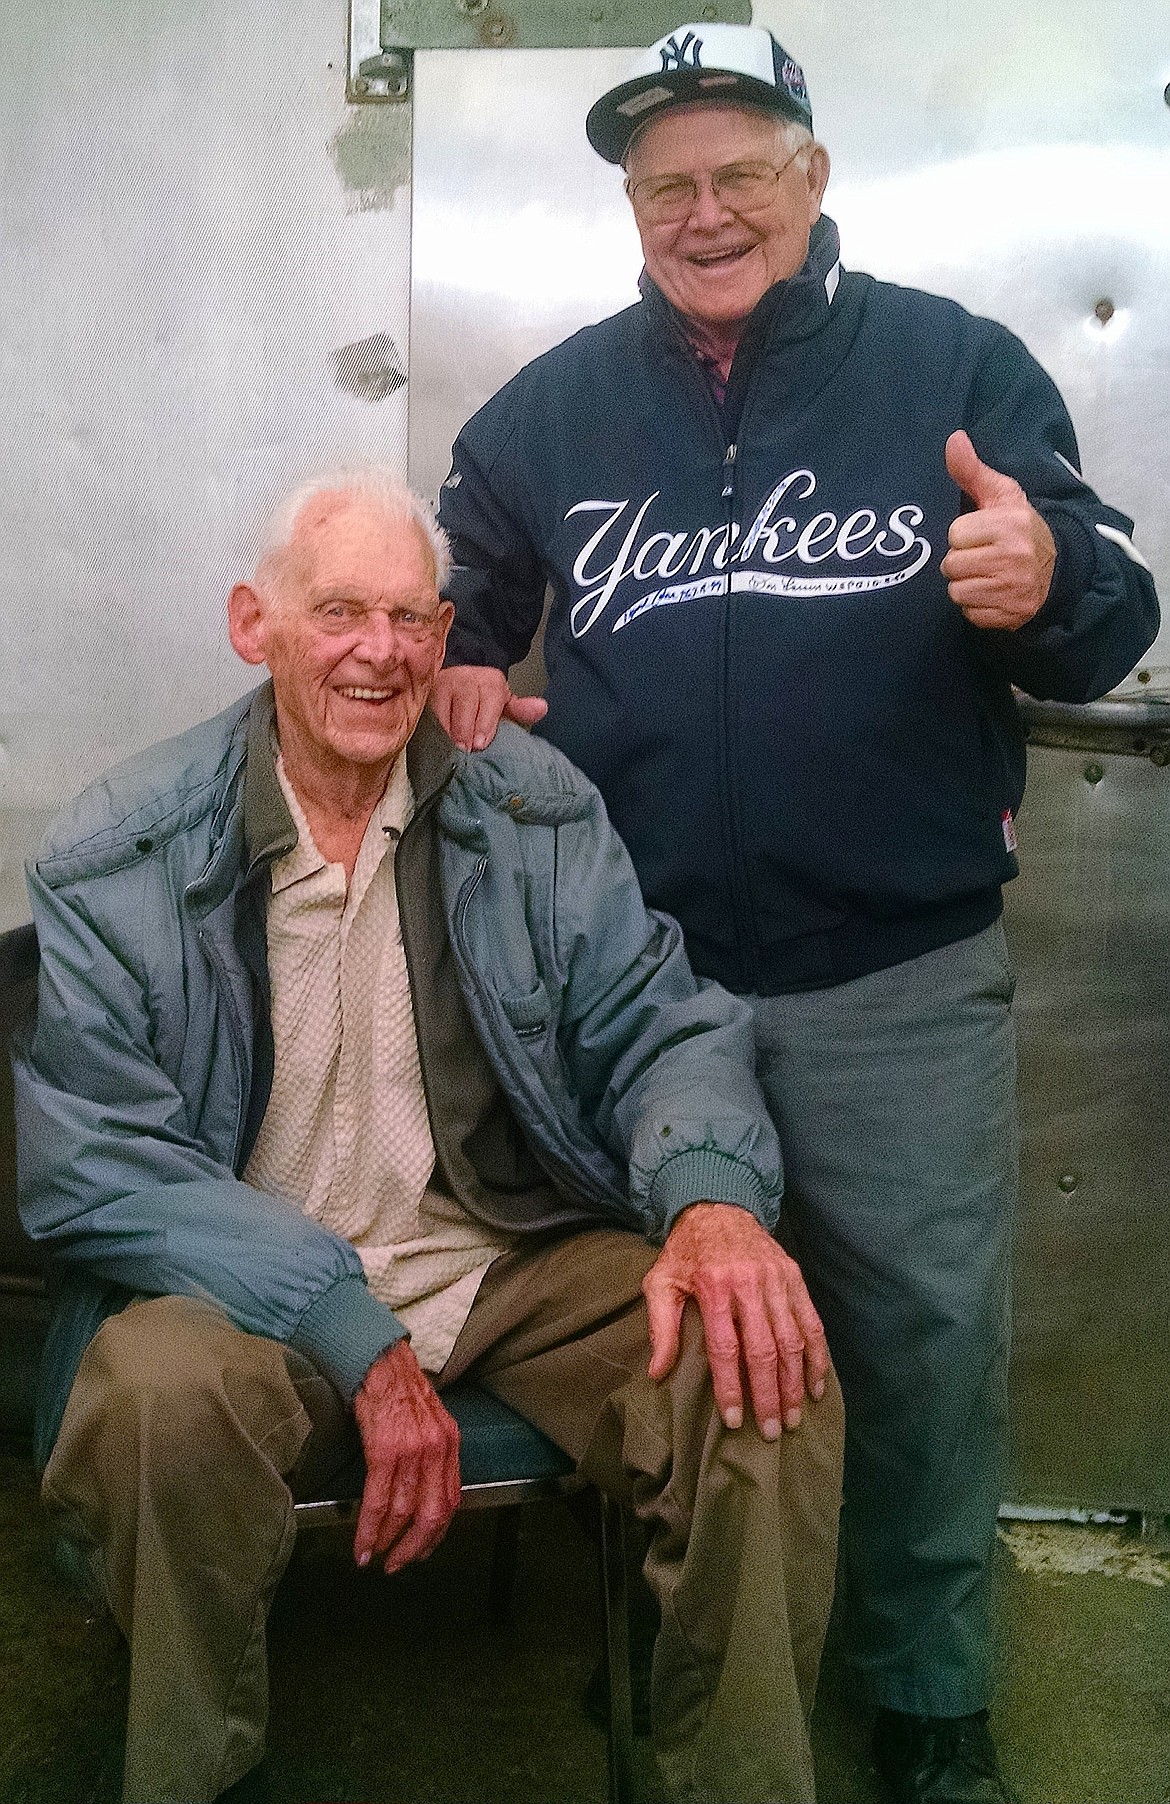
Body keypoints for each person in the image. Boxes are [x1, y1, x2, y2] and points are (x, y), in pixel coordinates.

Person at [430, 23, 1161, 1803]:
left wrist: (1043, 573)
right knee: (667, 1343)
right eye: (667, 182)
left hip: (892, 973)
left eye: (739, 172)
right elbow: (471, 591)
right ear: (628, 203)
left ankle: (925, 1698)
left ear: (810, 179)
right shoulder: (548, 409)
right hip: (631, 982)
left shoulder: (953, 365)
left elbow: (1104, 611)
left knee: (915, 1346)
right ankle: (692, 1673)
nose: (704, 211)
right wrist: (460, 668)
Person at [13, 468, 843, 1804]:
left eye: (412, 619)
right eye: (338, 611)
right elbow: (96, 1162)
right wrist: (352, 1331)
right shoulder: (125, 847)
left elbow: (663, 1024)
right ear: (254, 625)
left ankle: (744, 1783)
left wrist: (709, 1206)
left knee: (759, 1363)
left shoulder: (530, 808)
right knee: (156, 1400)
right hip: (247, 1300)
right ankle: (194, 1776)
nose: (380, 652)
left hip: (500, 1258)